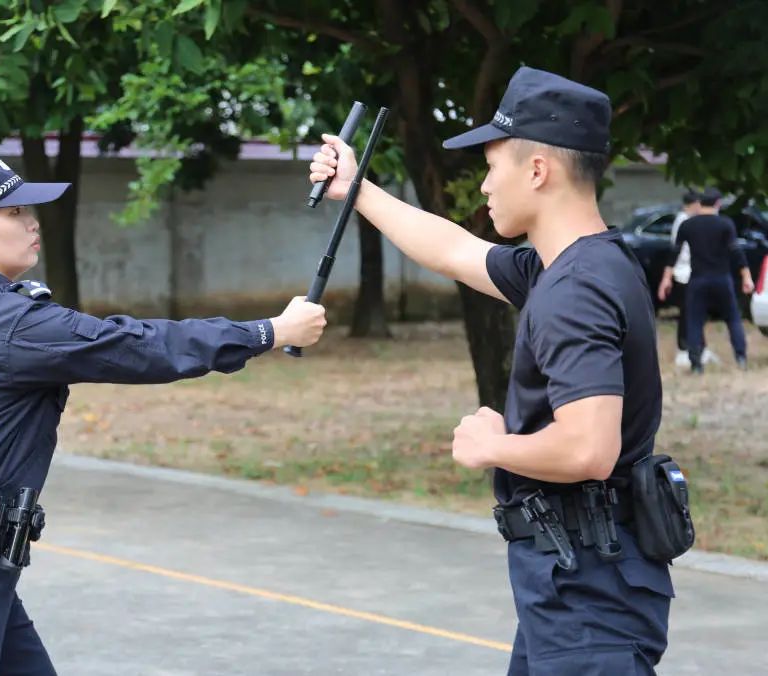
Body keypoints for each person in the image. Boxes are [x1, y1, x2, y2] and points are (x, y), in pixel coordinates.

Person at [0, 144, 327, 675]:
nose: (31, 223)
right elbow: (135, 346)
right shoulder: (5, 321)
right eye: (14, 211)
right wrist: (269, 332)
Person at [310, 67, 672, 673]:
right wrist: (358, 188)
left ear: (537, 170)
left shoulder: (573, 290)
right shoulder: (583, 265)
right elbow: (453, 250)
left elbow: (589, 448)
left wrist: (494, 447)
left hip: (587, 594)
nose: (483, 186)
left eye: (492, 166)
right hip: (578, 581)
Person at [659, 186, 754, 373]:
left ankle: (696, 365)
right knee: (733, 318)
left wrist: (666, 279)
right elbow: (736, 252)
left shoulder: (688, 225)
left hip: (698, 279)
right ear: (718, 203)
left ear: (700, 203)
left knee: (694, 320)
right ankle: (741, 357)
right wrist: (746, 276)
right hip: (721, 278)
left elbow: (674, 253)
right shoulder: (725, 224)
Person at [660, 190, 714, 367]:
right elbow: (681, 251)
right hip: (684, 273)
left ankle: (700, 347)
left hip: (691, 272)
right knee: (687, 313)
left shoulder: (687, 220)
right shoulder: (683, 221)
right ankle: (684, 348)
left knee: (695, 313)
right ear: (693, 204)